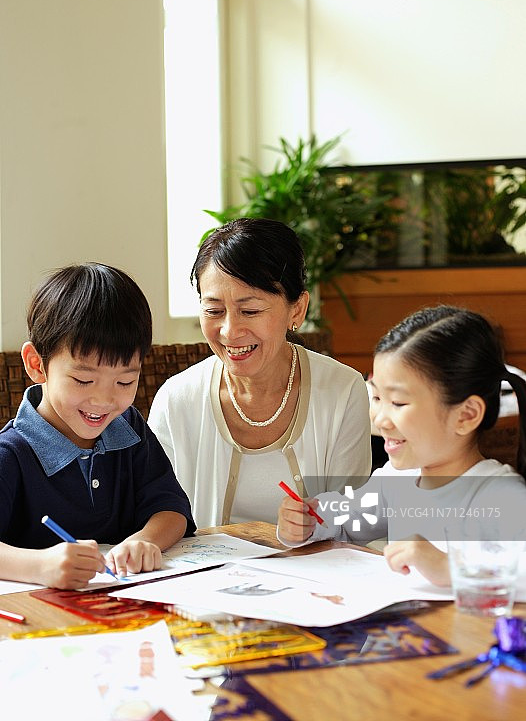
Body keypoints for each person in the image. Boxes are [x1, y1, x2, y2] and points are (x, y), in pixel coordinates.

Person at [277, 305, 526, 586]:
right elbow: (348, 517)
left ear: (466, 415)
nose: (380, 419)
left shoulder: (500, 496)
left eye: (398, 402)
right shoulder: (397, 481)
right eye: (377, 398)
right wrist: (310, 519)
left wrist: (451, 568)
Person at [148, 218, 372, 528]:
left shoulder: (342, 390)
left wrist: (317, 525)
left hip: (315, 572)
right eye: (213, 310)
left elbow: (351, 519)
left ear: (297, 309)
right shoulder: (176, 399)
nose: (229, 331)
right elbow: (153, 511)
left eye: (250, 311)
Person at [0, 263, 195, 589]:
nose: (104, 401)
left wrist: (145, 540)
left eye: (124, 381)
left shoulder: (130, 428)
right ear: (36, 364)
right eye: (83, 379)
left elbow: (171, 510)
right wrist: (39, 567)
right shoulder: (11, 455)